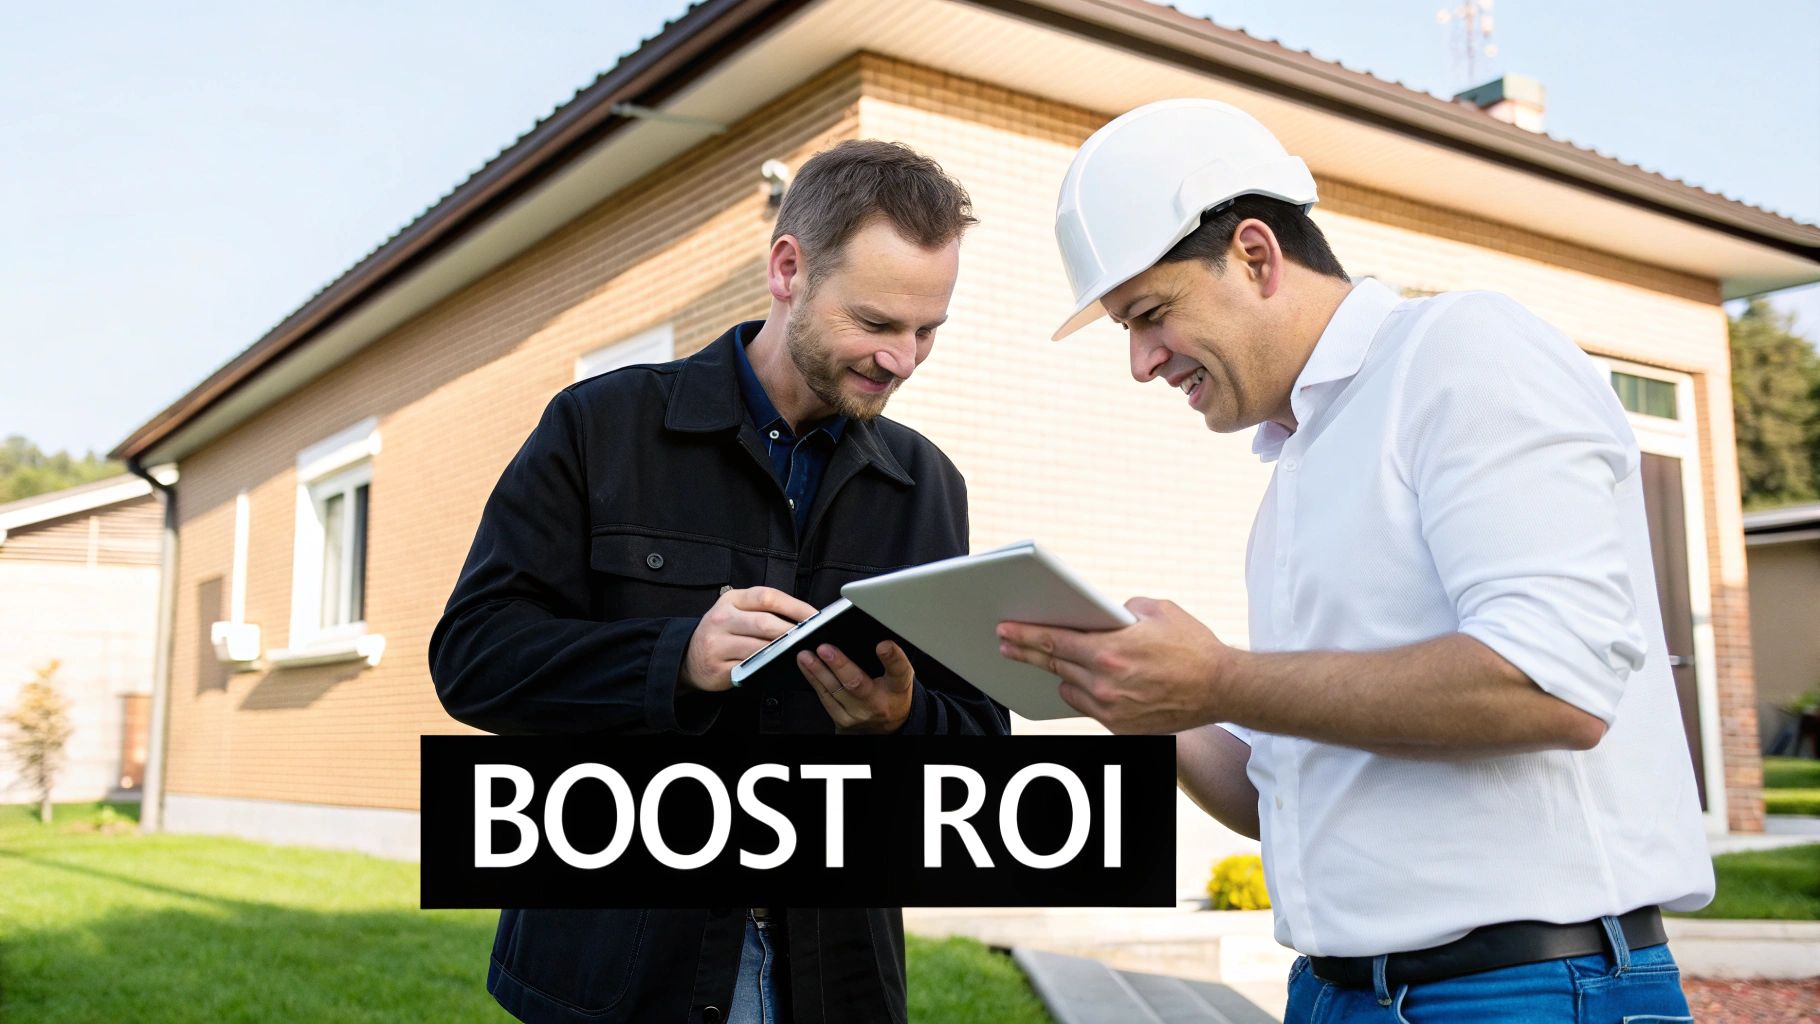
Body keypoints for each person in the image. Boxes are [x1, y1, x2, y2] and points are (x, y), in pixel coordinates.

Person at [997, 98, 1713, 1021]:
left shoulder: (1460, 352)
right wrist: (1147, 706)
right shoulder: (1296, 467)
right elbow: (1295, 800)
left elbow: (1554, 685)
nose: (1140, 363)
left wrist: (1216, 680)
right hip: (1336, 992)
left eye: (1149, 315)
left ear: (1255, 255)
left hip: (1524, 991)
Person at [430, 138, 1008, 1024]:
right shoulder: (600, 427)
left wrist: (902, 722)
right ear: (788, 270)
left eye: (927, 330)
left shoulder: (929, 488)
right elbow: (474, 659)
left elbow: (976, 739)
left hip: (837, 977)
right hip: (617, 975)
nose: (902, 360)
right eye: (877, 323)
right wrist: (677, 658)